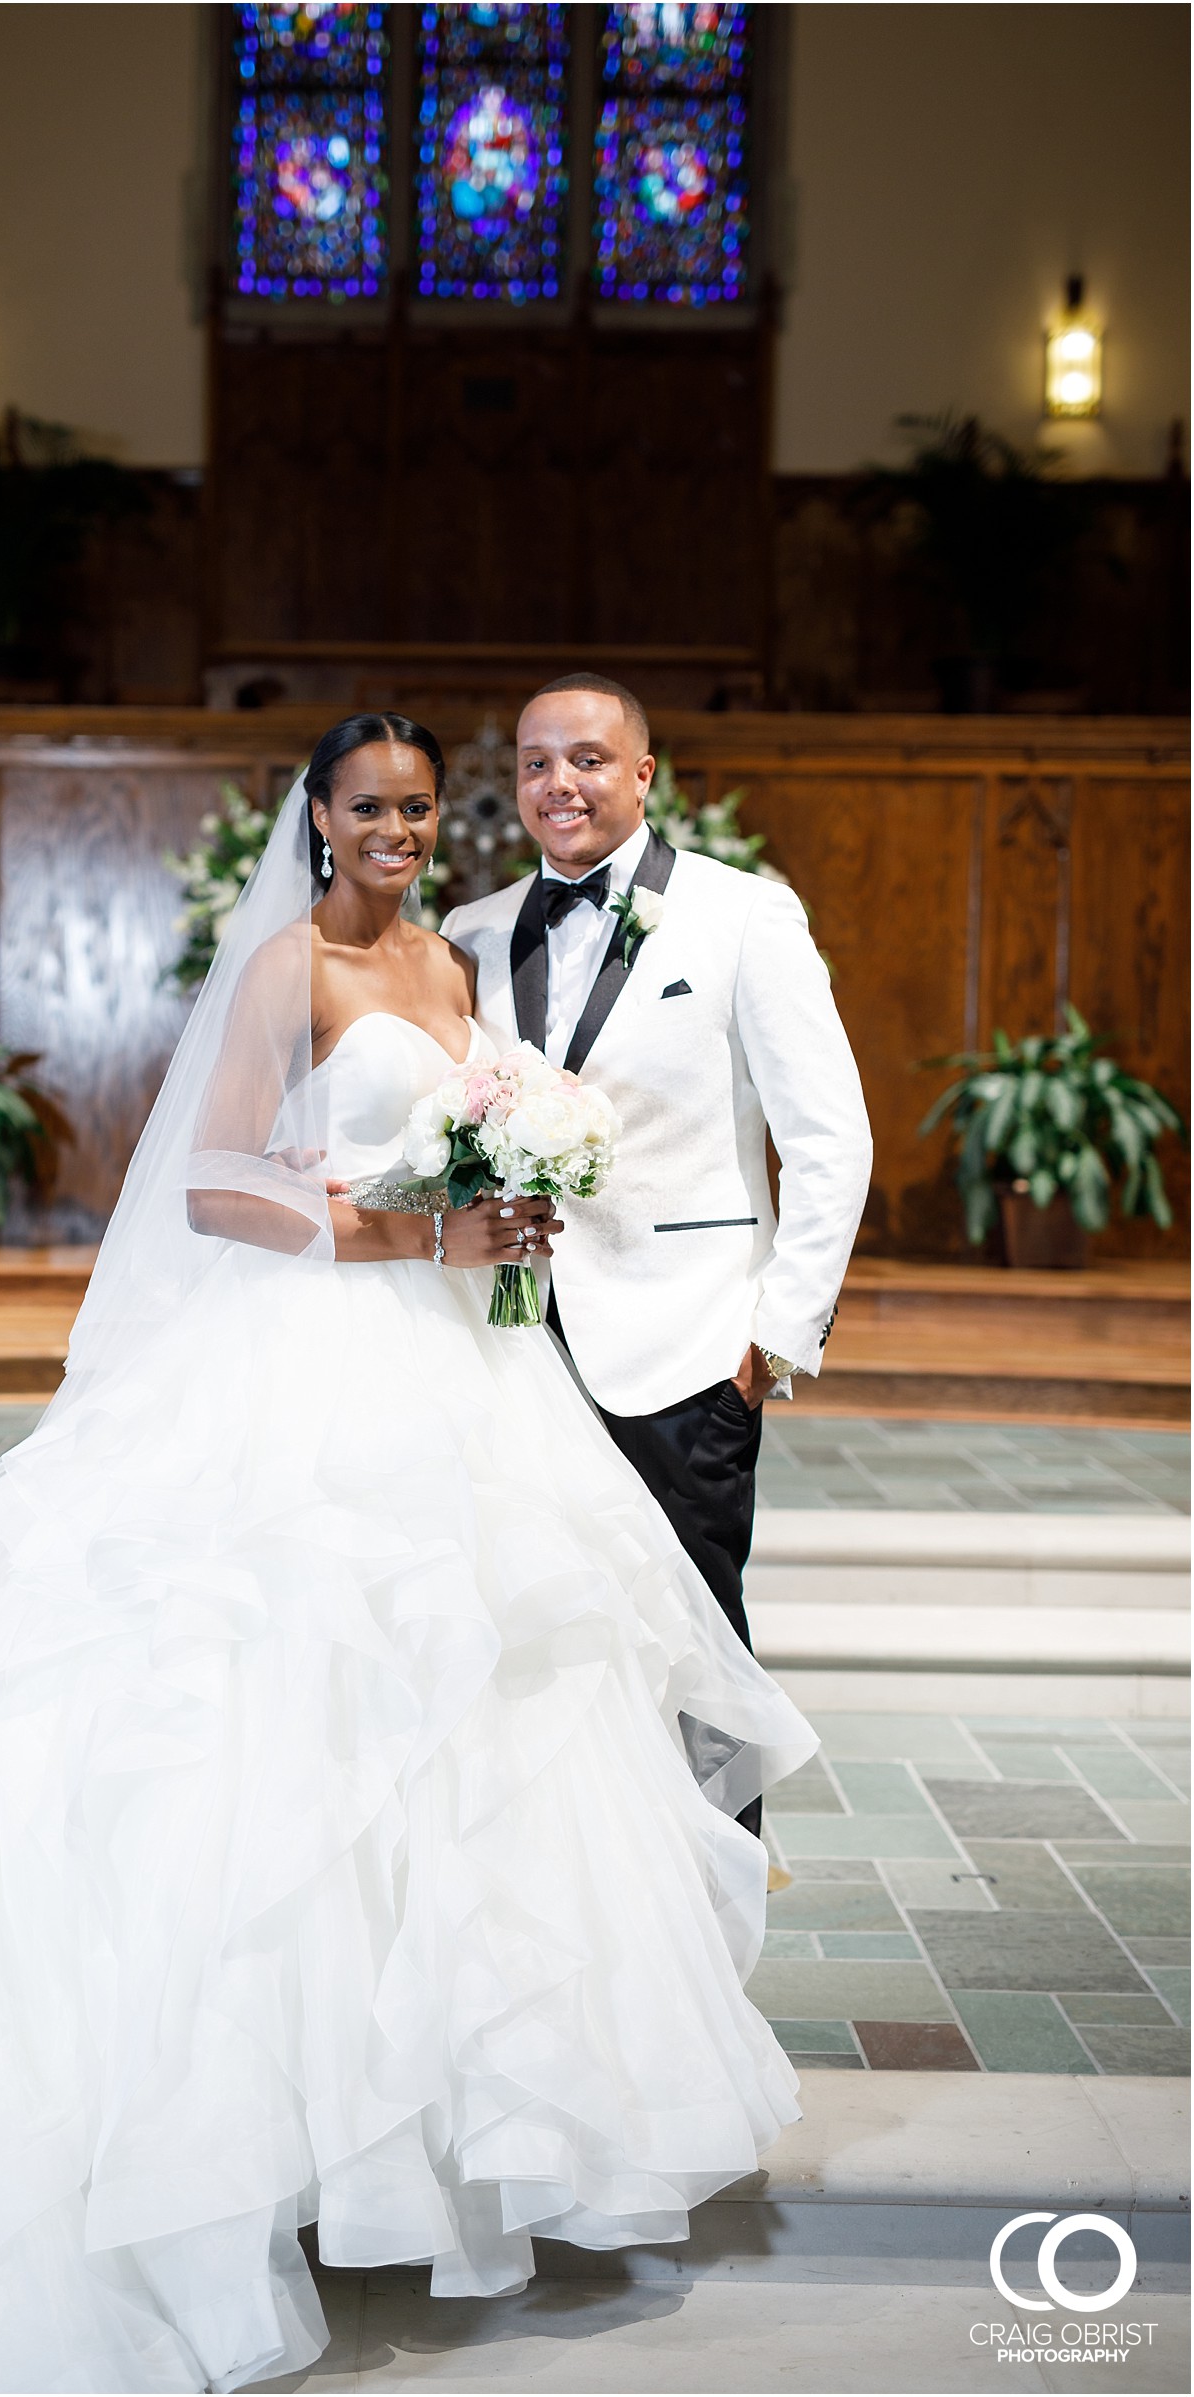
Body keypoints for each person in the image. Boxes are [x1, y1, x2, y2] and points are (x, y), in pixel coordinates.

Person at [0, 715, 818, 2397]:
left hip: (459, 1371)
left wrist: (505, 1213)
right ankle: (230, 2141)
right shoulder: (286, 972)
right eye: (369, 806)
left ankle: (412, 2136)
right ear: (318, 818)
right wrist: (414, 1226)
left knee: (461, 1739)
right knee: (260, 1739)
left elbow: (461, 1159)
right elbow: (218, 1190)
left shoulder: (462, 974)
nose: (398, 828)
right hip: (302, 1376)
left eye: (418, 807)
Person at [442, 676, 873, 1849]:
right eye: (534, 763)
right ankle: (569, 1888)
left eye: (585, 759)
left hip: (688, 1343)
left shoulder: (744, 915)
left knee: (695, 1638)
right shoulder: (470, 935)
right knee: (534, 1627)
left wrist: (775, 1339)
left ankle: (721, 1891)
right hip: (510, 1342)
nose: (557, 785)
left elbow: (829, 1137)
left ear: (642, 773)